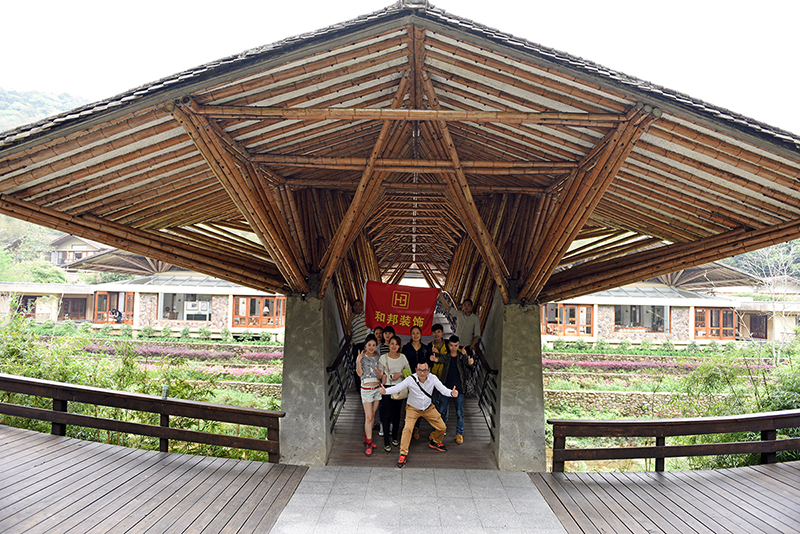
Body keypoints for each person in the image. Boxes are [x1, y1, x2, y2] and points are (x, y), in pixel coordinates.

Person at [380, 361, 458, 469]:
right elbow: (398, 387)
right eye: (420, 370)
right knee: (407, 429)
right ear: (416, 370)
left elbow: (442, 389)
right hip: (413, 408)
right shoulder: (411, 379)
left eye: (425, 370)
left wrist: (451, 393)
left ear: (429, 370)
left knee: (442, 427)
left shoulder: (433, 378)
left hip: (428, 408)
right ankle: (403, 454)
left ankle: (435, 442)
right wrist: (385, 391)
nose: (422, 373)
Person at [431, 335, 474, 444]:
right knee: (441, 411)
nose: (453, 347)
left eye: (455, 345)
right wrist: (435, 358)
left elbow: (468, 364)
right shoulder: (447, 357)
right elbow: (440, 359)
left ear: (458, 346)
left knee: (459, 412)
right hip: (446, 388)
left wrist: (469, 360)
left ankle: (459, 433)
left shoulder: (461, 357)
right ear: (448, 346)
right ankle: (438, 430)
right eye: (451, 345)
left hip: (459, 389)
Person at [379, 335, 410, 452]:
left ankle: (395, 437)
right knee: (387, 414)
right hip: (387, 388)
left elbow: (409, 372)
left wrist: (400, 374)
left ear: (399, 346)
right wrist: (381, 375)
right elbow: (380, 374)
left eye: (396, 344)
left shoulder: (403, 357)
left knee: (397, 414)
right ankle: (386, 441)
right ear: (389, 344)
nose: (394, 346)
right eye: (392, 343)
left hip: (399, 388)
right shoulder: (383, 358)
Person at [356, 334, 384, 456]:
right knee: (368, 417)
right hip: (366, 389)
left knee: (372, 414)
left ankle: (366, 436)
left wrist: (379, 374)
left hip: (377, 389)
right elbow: (359, 374)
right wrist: (358, 361)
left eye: (373, 345)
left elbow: (380, 375)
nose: (371, 347)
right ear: (365, 346)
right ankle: (369, 442)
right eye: (369, 345)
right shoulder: (361, 357)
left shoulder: (378, 357)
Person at [402, 325, 431, 440]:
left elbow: (429, 364)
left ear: (421, 335)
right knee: (409, 403)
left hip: (421, 380)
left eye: (417, 333)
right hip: (409, 379)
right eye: (413, 333)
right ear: (410, 335)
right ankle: (408, 426)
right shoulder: (406, 348)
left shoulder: (425, 348)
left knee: (418, 403)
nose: (415, 335)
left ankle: (416, 428)